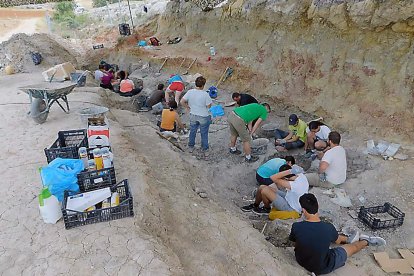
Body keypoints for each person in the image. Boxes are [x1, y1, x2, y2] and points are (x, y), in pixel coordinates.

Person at [289, 193, 386, 275]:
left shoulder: (296, 226)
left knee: (319, 240)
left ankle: (349, 239)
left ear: (304, 210)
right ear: (318, 207)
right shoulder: (327, 227)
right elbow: (338, 241)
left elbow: (295, 243)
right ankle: (366, 241)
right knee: (352, 248)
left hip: (301, 260)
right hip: (322, 267)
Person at [241, 164, 309, 215]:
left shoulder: (294, 185)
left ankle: (266, 209)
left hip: (292, 207)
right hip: (289, 197)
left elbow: (273, 178)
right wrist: (290, 171)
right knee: (262, 187)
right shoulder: (300, 175)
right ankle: (255, 205)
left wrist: (289, 171)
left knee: (265, 190)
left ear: (285, 178)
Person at [180, 76, 212, 156]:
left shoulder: (190, 92)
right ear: (203, 85)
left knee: (193, 131)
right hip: (203, 116)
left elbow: (182, 101)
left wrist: (187, 107)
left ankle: (191, 146)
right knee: (204, 133)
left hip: (193, 114)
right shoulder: (205, 94)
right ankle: (205, 149)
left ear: (195, 83)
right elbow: (209, 106)